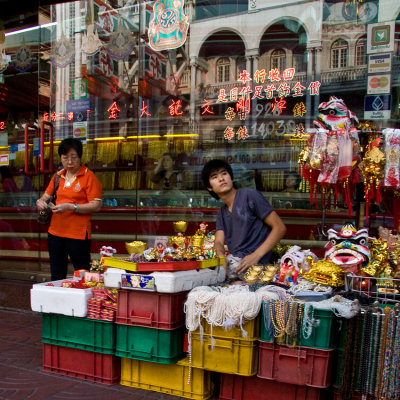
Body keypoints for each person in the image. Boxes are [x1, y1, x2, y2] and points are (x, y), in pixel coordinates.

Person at [201, 159, 287, 283]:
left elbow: (280, 228)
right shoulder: (222, 212)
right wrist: (221, 258)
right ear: (209, 187)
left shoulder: (249, 195)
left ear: (231, 177)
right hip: (236, 265)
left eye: (224, 173)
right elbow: (219, 241)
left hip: (257, 266)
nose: (221, 179)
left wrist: (256, 256)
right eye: (215, 177)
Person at [36, 138, 102, 281]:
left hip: (78, 234)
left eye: (74, 157)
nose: (70, 162)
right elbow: (45, 197)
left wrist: (72, 207)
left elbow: (96, 205)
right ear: (60, 158)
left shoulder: (89, 177)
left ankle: (83, 302)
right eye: (65, 158)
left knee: (82, 272)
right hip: (55, 232)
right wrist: (40, 202)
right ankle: (58, 301)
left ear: (80, 157)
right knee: (57, 272)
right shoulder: (58, 176)